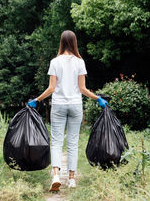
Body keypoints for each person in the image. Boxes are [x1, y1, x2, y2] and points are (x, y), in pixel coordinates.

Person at [27, 30, 108, 192]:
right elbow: (82, 89)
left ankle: (56, 175)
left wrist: (36, 100)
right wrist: (97, 98)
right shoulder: (79, 62)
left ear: (61, 42)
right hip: (75, 105)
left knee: (56, 142)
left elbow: (51, 88)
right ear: (74, 42)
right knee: (72, 142)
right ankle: (71, 179)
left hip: (58, 105)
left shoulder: (55, 62)